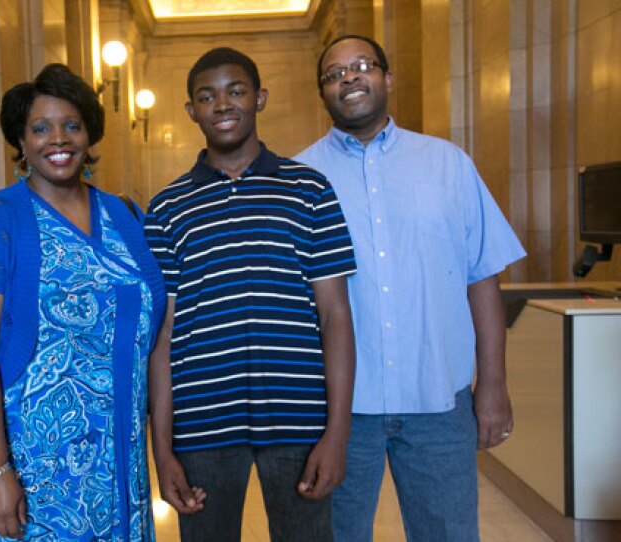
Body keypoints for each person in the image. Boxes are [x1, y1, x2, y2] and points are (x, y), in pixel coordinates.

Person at [295, 35, 527, 541]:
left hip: (438, 405)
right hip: (338, 413)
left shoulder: (449, 165)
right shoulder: (300, 179)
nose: (349, 78)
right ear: (322, 93)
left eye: (362, 66)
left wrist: (492, 385)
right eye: (334, 74)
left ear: (387, 78)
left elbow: (482, 279)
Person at [145, 47, 357, 542]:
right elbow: (163, 335)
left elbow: (335, 316)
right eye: (207, 96)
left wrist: (338, 434)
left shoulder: (310, 190)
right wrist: (163, 451)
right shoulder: (166, 207)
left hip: (301, 420)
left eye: (235, 91)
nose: (222, 104)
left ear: (259, 99)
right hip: (201, 428)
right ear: (190, 111)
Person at [0, 64, 165, 541]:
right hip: (37, 471)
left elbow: (155, 337)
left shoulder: (125, 214)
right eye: (40, 128)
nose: (57, 139)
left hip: (123, 467)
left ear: (89, 134)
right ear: (21, 143)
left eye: (71, 125)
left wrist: (162, 455)